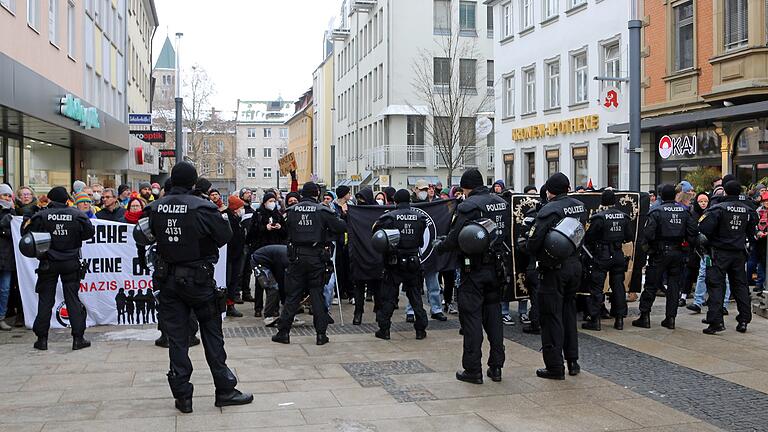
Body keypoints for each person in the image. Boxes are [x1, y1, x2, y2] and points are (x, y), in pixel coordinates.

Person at [138, 161, 252, 413]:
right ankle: (224, 389)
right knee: (212, 335)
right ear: (193, 182)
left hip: (168, 280)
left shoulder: (154, 208)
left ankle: (182, 396)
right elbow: (225, 236)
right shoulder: (203, 206)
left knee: (178, 339)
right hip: (198, 279)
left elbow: (141, 236)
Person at [435, 168, 508, 385]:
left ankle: (473, 369)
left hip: (473, 269)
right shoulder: (500, 202)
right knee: (494, 318)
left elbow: (456, 237)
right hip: (497, 267)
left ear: (467, 187)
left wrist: (440, 247)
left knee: (472, 318)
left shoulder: (468, 206)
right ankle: (496, 367)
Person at [526, 172, 587, 380]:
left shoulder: (549, 210)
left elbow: (533, 243)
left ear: (549, 191)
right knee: (569, 312)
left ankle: (554, 366)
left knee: (551, 316)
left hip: (554, 269)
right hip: (575, 265)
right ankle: (573, 361)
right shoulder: (579, 205)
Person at [271, 182, 346, 345]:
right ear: (317, 193)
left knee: (293, 296)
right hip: (316, 257)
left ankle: (283, 332)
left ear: (302, 194)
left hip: (296, 257)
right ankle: (321, 335)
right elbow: (341, 227)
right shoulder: (323, 210)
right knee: (317, 295)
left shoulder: (291, 211)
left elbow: (284, 231)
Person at [23, 186, 95, 351]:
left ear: (50, 199)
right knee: (73, 300)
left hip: (48, 262)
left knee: (45, 300)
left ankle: (42, 339)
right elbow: (89, 232)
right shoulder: (77, 215)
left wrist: (32, 210)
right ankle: (78, 338)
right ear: (66, 199)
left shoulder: (41, 215)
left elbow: (26, 234)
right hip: (70, 262)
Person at [632, 184, 697, 330]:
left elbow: (647, 234)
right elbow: (692, 233)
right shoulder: (684, 212)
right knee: (674, 286)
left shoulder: (656, 211)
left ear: (661, 196)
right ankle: (670, 318)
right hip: (678, 252)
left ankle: (645, 316)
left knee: (651, 284)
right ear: (675, 196)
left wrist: (648, 249)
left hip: (659, 252)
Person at [698, 180, 757, 334]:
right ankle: (744, 319)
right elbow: (752, 234)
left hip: (719, 252)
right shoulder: (748, 210)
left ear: (724, 191)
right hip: (738, 253)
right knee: (740, 286)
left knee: (716, 286)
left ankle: (716, 321)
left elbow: (704, 229)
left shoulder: (718, 209)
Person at [372, 189, 428, 340]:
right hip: (413, 260)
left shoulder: (388, 217)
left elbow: (378, 238)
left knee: (389, 296)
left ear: (395, 201)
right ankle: (421, 329)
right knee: (415, 295)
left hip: (394, 262)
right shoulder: (420, 218)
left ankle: (384, 330)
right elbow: (421, 241)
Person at [582, 190, 633, 331]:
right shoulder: (624, 216)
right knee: (618, 286)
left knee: (597, 287)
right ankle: (619, 319)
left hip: (602, 255)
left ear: (602, 202)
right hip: (617, 254)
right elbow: (629, 237)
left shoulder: (599, 218)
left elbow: (589, 238)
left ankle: (595, 320)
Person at [246, 192, 287, 317]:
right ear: (264, 202)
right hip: (261, 251)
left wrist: (280, 228)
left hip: (276, 252)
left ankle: (274, 307)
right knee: (261, 281)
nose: (272, 203)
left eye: (274, 201)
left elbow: (285, 233)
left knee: (277, 280)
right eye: (270, 201)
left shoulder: (278, 215)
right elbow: (251, 233)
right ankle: (258, 307)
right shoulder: (258, 214)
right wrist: (265, 228)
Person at [251, 244, 290, 327]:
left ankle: (288, 315)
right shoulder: (286, 259)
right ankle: (268, 316)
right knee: (273, 287)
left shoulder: (289, 256)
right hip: (258, 261)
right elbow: (280, 278)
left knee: (277, 287)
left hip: (267, 261)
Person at [224, 195, 246, 318]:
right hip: (229, 256)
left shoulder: (236, 219)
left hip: (237, 255)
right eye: (240, 207)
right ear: (235, 208)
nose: (242, 210)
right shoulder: (227, 219)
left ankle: (230, 304)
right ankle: (227, 304)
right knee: (228, 281)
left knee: (234, 281)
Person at [0, 184, 15, 330]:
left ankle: (1, 317)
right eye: (4, 195)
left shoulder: (13, 212)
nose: (6, 198)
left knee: (5, 289)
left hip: (7, 257)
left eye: (9, 195)